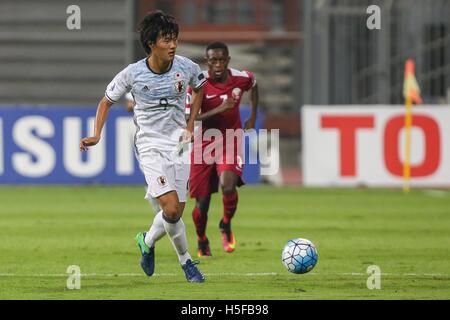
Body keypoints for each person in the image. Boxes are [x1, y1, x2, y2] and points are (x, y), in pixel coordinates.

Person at [79, 10, 206, 283]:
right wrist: (96, 134)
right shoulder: (132, 74)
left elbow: (200, 87)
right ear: (151, 43)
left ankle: (146, 241)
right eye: (166, 40)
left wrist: (190, 123)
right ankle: (187, 264)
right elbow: (106, 101)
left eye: (174, 39)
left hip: (180, 144)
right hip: (149, 145)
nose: (172, 45)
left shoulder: (185, 66)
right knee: (171, 210)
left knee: (175, 213)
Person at [188, 41, 259, 257]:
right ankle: (201, 239)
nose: (217, 64)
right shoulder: (198, 83)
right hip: (204, 143)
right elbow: (189, 118)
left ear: (228, 60)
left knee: (228, 186)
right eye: (213, 61)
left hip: (231, 139)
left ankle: (226, 224)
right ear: (207, 62)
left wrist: (253, 117)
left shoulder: (241, 78)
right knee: (202, 205)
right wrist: (220, 109)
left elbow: (254, 85)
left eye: (221, 60)